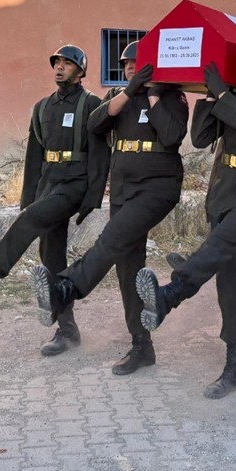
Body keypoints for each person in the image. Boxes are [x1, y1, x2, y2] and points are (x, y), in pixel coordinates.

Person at [135, 40, 236, 398]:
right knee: (228, 283)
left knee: (217, 245)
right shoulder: (228, 97)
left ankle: (170, 294)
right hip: (224, 193)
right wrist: (207, 97)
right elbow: (202, 138)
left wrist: (222, 95)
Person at [0, 45, 109, 357]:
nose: (60, 67)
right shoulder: (42, 107)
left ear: (81, 71)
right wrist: (28, 198)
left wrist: (93, 197)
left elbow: (100, 153)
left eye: (68, 63)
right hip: (49, 183)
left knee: (31, 222)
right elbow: (34, 157)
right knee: (52, 256)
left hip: (75, 183)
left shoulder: (91, 105)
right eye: (57, 62)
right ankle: (68, 331)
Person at [36, 42, 189, 376]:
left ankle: (66, 287)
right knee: (128, 267)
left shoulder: (172, 95)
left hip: (157, 187)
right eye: (127, 64)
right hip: (123, 189)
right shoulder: (117, 96)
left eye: (138, 63)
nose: (132, 67)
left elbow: (172, 135)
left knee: (112, 238)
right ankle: (141, 346)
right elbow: (95, 125)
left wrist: (152, 94)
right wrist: (128, 92)